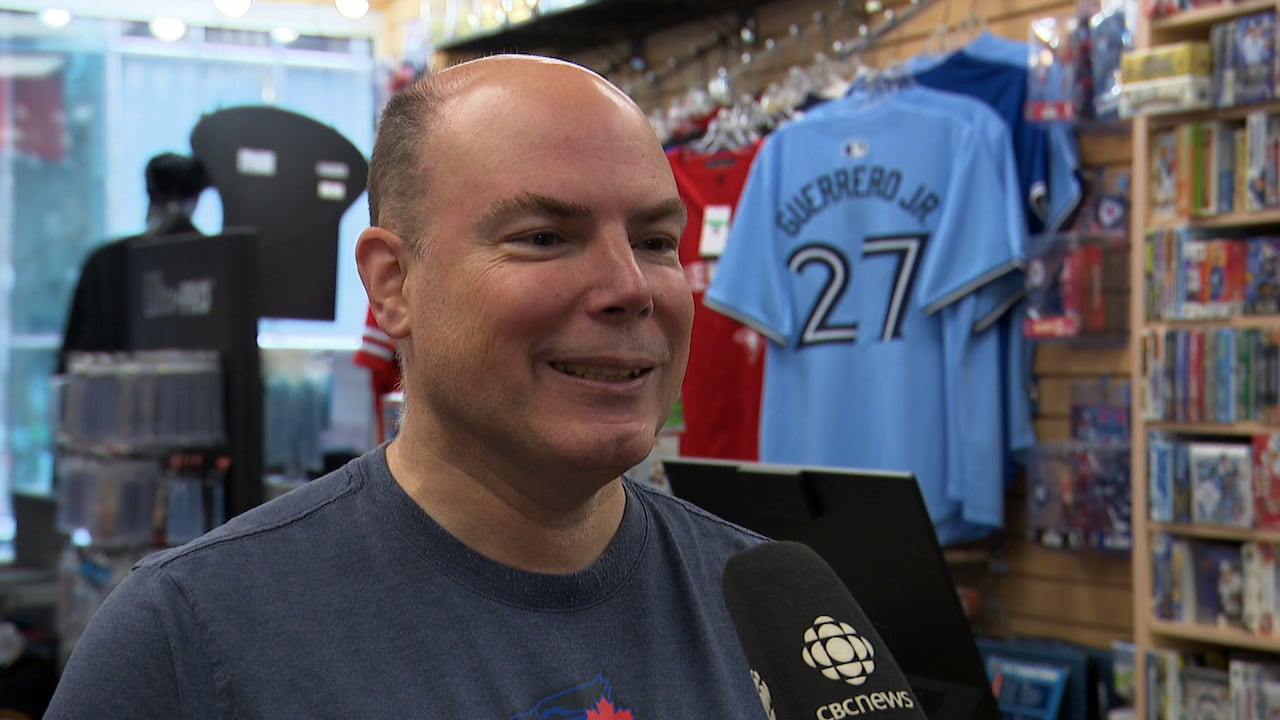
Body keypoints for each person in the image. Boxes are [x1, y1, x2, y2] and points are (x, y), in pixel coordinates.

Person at [46, 54, 769, 717]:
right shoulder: (186, 643)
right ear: (392, 284)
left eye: (654, 242)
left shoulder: (772, 611)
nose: (630, 288)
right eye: (545, 237)